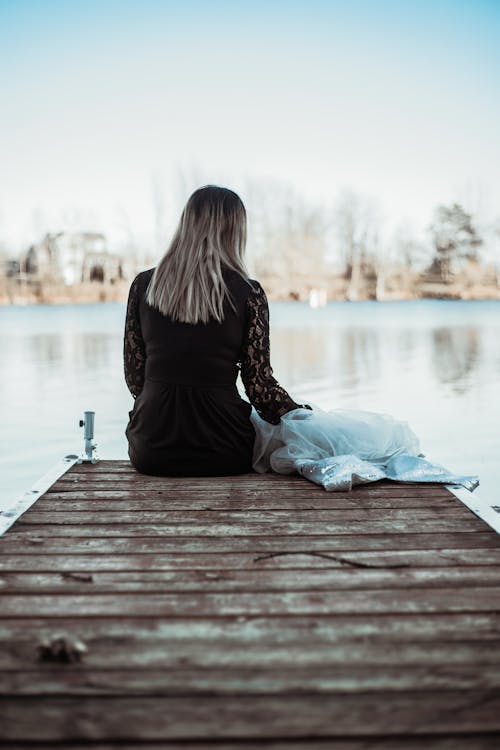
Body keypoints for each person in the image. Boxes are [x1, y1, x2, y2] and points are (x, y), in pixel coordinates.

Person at [123, 184, 309, 477]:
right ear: (234, 231)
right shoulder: (249, 292)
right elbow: (259, 387)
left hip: (151, 450)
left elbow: (135, 378)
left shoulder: (144, 285)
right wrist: (302, 417)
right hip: (224, 450)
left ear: (187, 225)